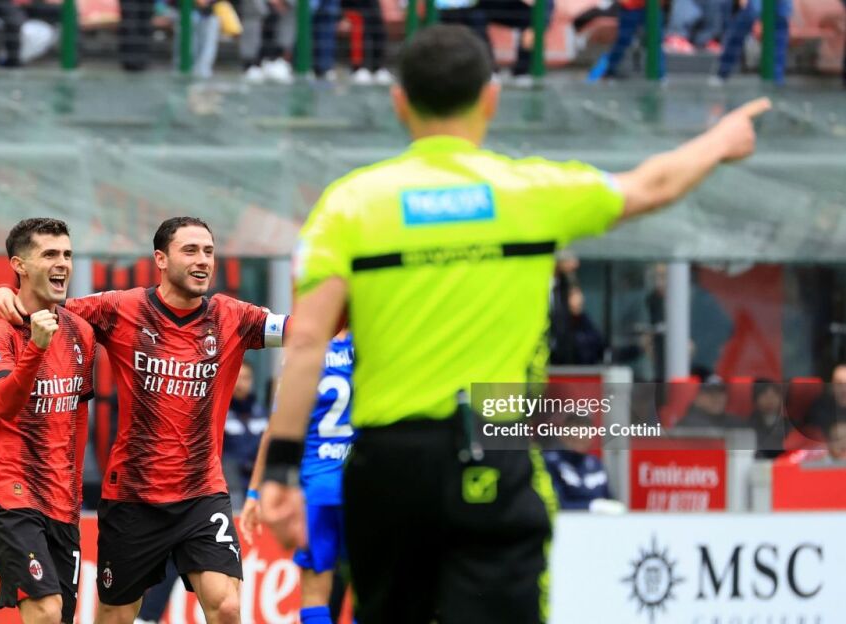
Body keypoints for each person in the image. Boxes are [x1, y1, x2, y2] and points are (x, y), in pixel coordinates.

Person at [257, 24, 770, 624]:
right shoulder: (531, 192)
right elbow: (651, 185)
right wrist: (719, 141)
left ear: (398, 101)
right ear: (491, 98)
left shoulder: (350, 205)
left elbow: (307, 341)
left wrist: (282, 468)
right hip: (491, 450)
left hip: (388, 466)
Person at [0, 217, 288, 624]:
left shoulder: (235, 317)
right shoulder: (121, 308)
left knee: (227, 606)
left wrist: (348, 296)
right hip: (132, 497)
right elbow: (46, 309)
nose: (203, 260)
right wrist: (7, 292)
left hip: (202, 493)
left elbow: (303, 330)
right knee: (116, 616)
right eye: (190, 250)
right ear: (160, 259)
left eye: (208, 251)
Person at [0, 219, 96, 624]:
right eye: (50, 254)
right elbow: (4, 405)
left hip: (62, 498)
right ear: (19, 265)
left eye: (67, 254)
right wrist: (36, 349)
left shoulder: (80, 331)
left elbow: (78, 415)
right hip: (10, 492)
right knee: (45, 611)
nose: (63, 263)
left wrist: (74, 488)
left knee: (61, 616)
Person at [242, 330, 355, 624]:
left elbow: (275, 429)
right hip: (361, 482)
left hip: (316, 489)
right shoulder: (370, 348)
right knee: (370, 594)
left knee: (315, 596)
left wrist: (254, 492)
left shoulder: (306, 352)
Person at [543, 414, 621, 512]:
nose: (580, 436)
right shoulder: (551, 463)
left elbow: (609, 499)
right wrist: (591, 506)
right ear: (563, 435)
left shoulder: (596, 464)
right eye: (574, 431)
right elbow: (556, 504)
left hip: (598, 520)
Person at [222, 361, 268, 509]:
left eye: (245, 378)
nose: (240, 383)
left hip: (259, 483)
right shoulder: (219, 413)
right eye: (237, 377)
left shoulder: (263, 413)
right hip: (229, 486)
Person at [712, 0, 791, 85]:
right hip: (754, 7)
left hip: (777, 10)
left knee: (778, 48)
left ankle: (777, 80)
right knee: (734, 38)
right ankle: (722, 73)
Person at [676, 374, 743, 429]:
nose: (717, 398)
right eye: (711, 393)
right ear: (697, 398)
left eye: (720, 393)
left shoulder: (734, 422)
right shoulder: (688, 424)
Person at [748, 379, 786, 459]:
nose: (770, 400)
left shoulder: (789, 425)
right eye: (765, 395)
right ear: (756, 399)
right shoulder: (747, 425)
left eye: (774, 394)